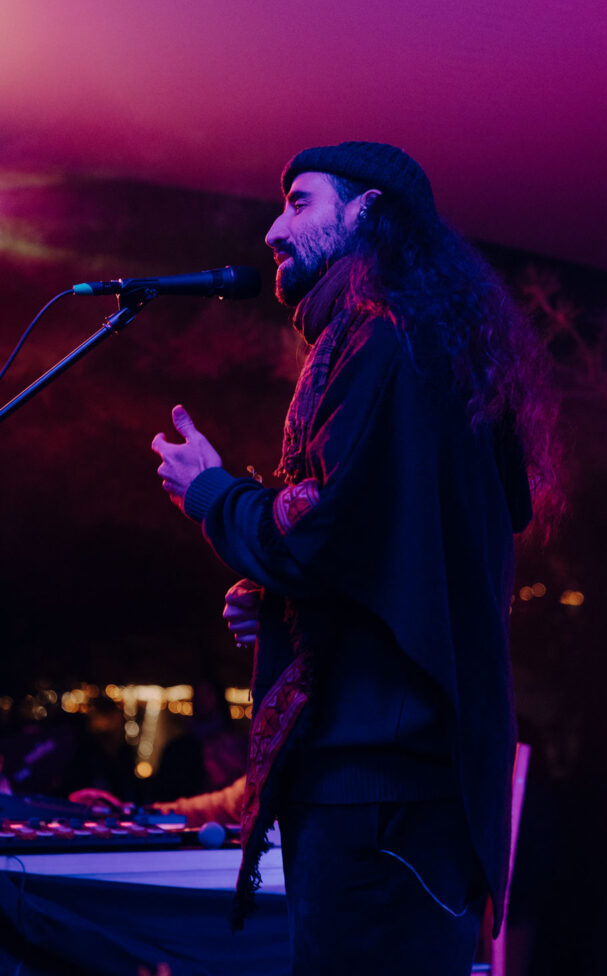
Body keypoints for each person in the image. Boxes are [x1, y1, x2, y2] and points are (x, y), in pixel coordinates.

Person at [151, 141, 557, 975]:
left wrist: (212, 492)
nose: (272, 227)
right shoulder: (428, 347)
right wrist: (275, 598)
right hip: (400, 780)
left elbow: (321, 533)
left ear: (369, 210)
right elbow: (386, 552)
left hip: (374, 783)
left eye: (300, 203)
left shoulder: (382, 345)